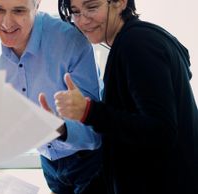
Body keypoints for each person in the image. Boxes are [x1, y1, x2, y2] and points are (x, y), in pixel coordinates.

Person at [54, 0, 198, 193]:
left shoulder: (137, 44)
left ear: (120, 2)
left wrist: (89, 111)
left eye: (92, 7)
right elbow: (123, 148)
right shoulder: (135, 41)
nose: (83, 21)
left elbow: (161, 131)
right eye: (76, 12)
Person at [0, 0, 106, 194]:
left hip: (89, 162)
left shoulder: (71, 42)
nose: (6, 23)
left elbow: (94, 132)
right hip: (47, 161)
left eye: (18, 11)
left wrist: (58, 127)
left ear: (37, 5)